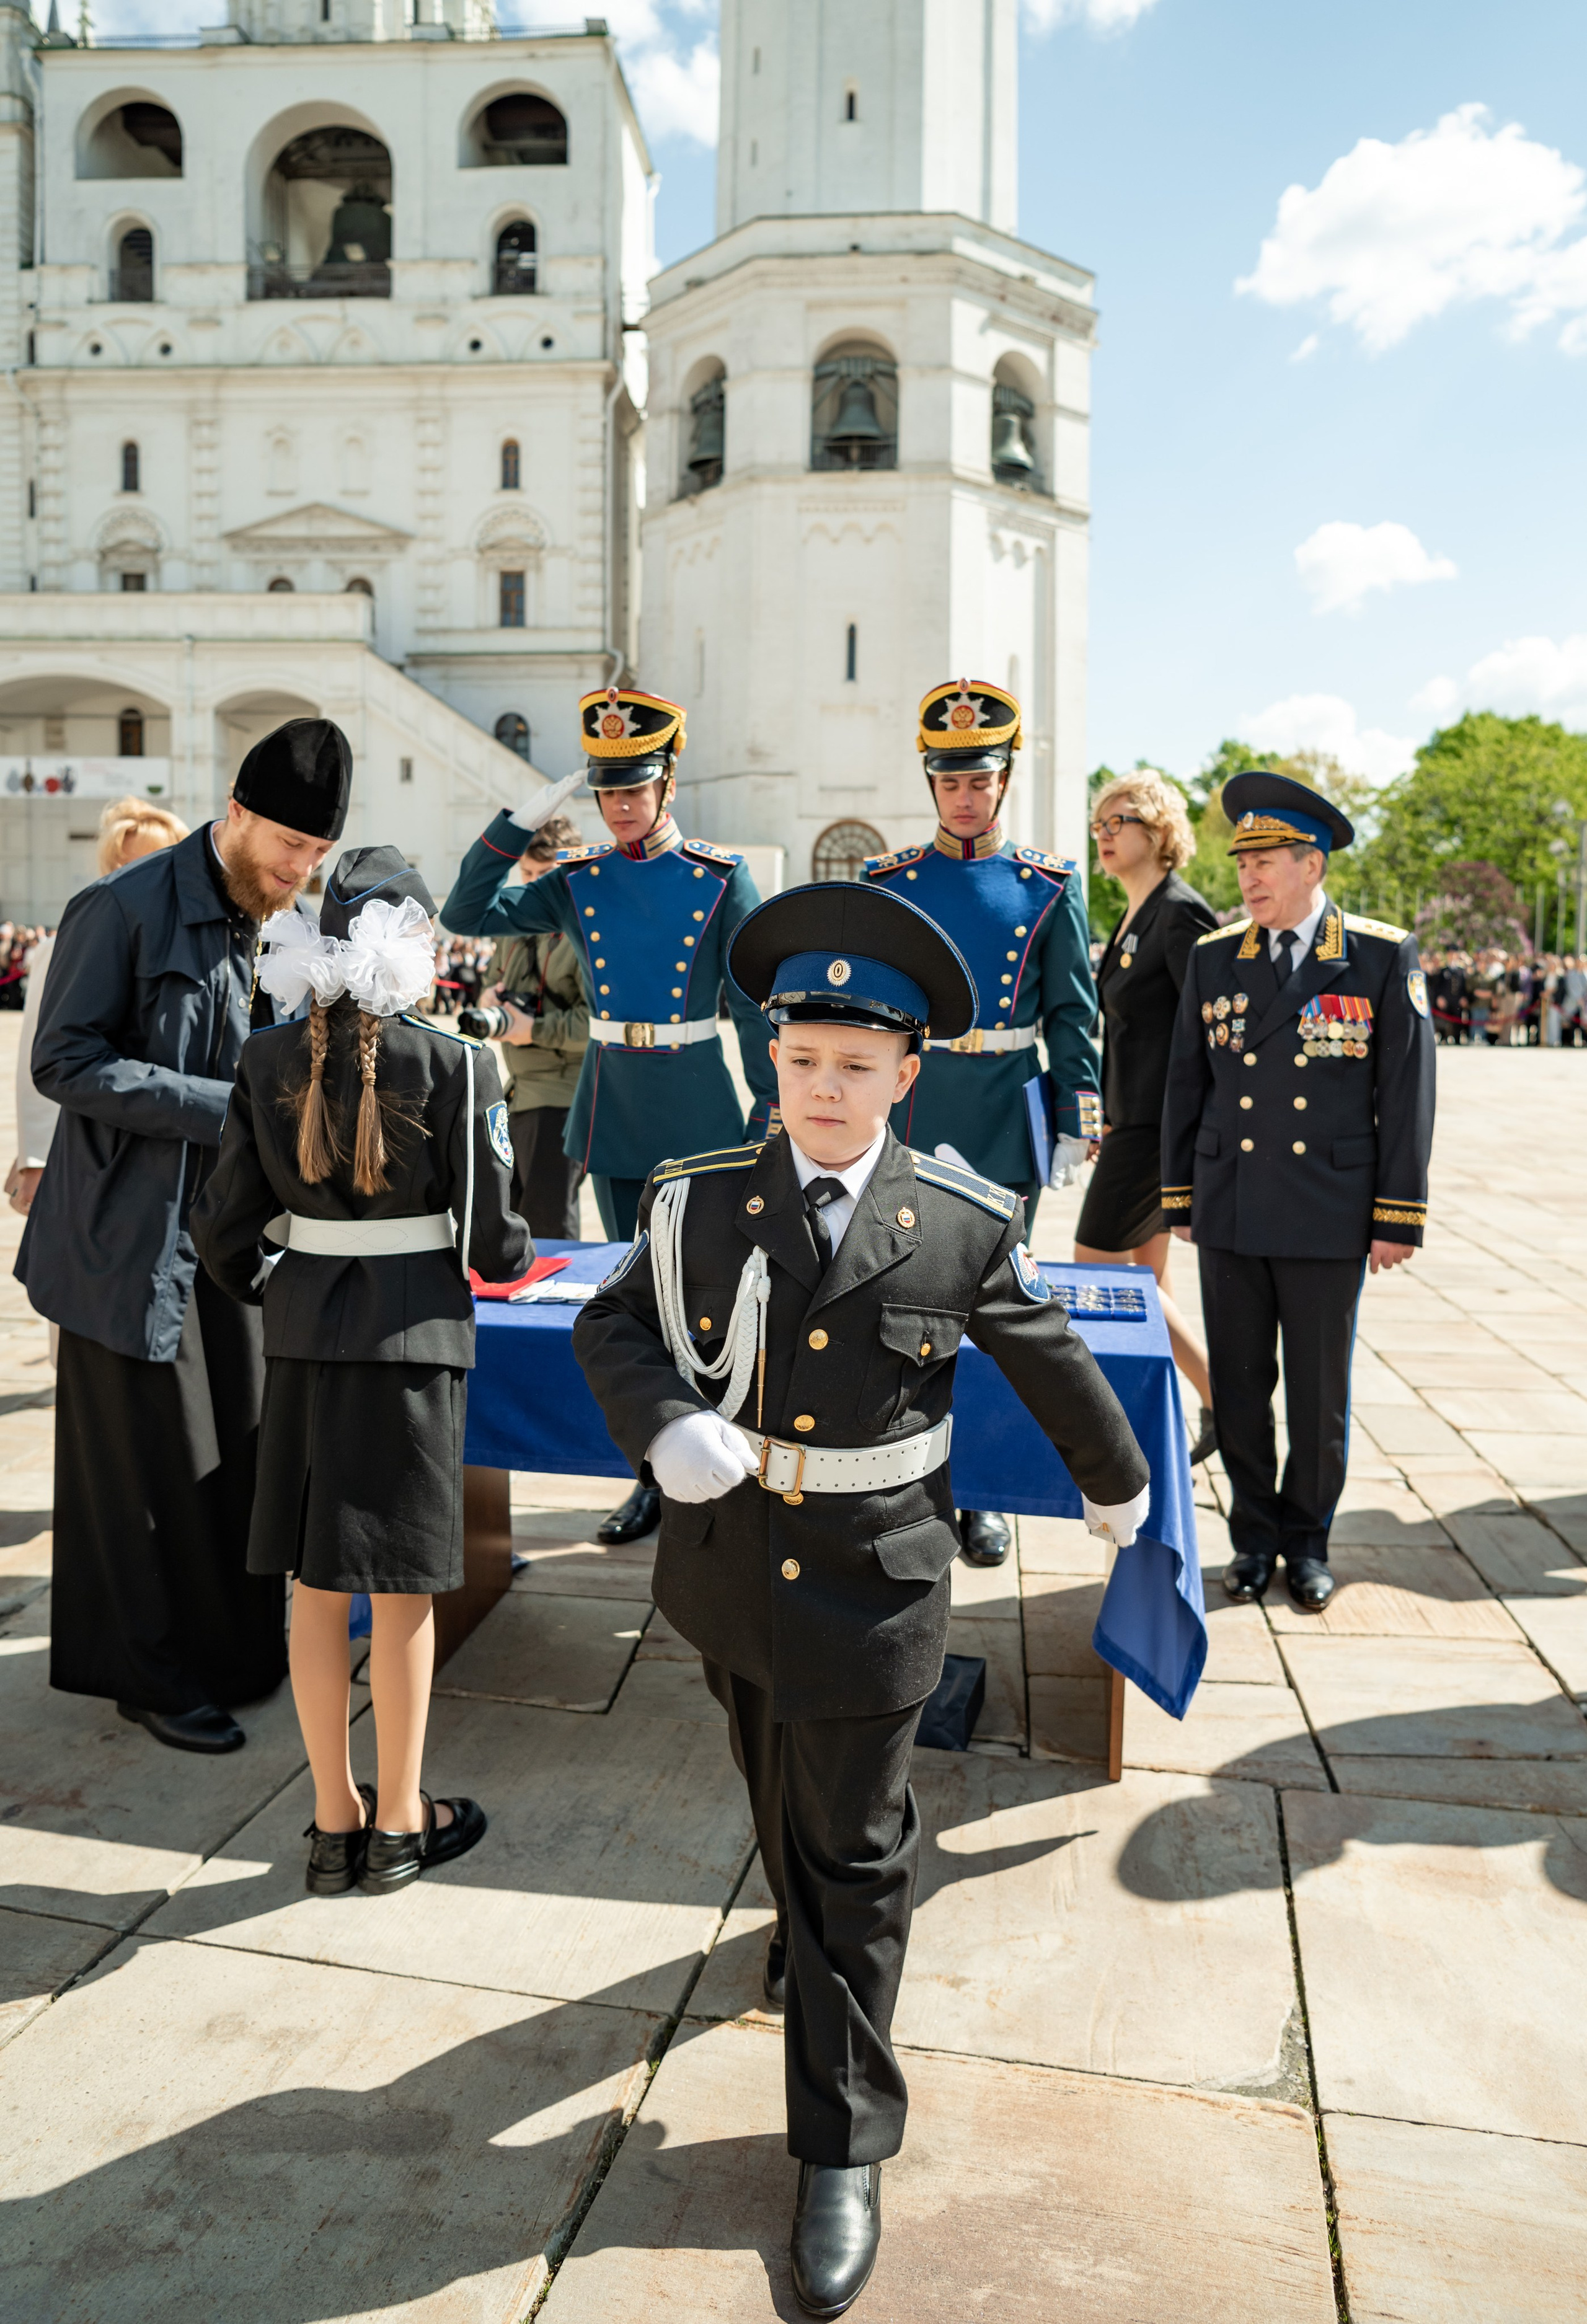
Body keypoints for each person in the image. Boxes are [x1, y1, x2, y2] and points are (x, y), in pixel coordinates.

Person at [573, 881, 1149, 2318]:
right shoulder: (700, 1196)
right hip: (726, 1580)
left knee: (854, 1846)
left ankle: (838, 2141)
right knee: (773, 1791)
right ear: (770, 1060)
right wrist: (658, 1419)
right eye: (798, 1059)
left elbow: (1049, 1351)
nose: (821, 1090)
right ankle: (802, 1938)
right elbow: (611, 1317)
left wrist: (1117, 1480)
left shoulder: (955, 1219)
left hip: (878, 1586)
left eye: (854, 1064)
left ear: (908, 1070)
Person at [192, 846, 531, 1893]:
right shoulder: (461, 1059)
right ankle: (398, 1822)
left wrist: (288, 1288)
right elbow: (497, 1245)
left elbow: (221, 1231)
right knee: (400, 1593)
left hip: (301, 1343)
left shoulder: (265, 1056)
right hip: (414, 1347)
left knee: (313, 1585)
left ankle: (332, 1824)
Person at [17, 718, 352, 1753]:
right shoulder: (118, 906)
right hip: (124, 1243)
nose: (301, 871)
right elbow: (62, 1062)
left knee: (231, 1461)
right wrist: (230, 1103)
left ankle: (235, 1656)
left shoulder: (279, 919)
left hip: (230, 1242)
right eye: (289, 847)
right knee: (139, 1479)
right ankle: (150, 1675)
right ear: (237, 814)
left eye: (318, 854)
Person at [443, 684, 776, 1547]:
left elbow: (749, 1007)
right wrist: (516, 825)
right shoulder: (578, 879)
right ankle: (651, 1473)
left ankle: (723, 1463)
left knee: (706, 1300)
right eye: (607, 790)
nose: (621, 806)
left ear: (667, 784)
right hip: (616, 1104)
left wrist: (765, 1113)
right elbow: (464, 914)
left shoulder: (719, 877)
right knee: (636, 1301)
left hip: (698, 1105)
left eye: (635, 787)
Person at [1160, 769, 1436, 1614]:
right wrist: (1182, 1197)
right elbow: (1185, 1083)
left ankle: (1309, 1541)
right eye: (1243, 863)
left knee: (1318, 1395)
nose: (1249, 880)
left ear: (1313, 866)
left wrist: (1398, 1215)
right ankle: (1252, 1539)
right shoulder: (1216, 958)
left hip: (1329, 1210)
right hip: (1235, 1203)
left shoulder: (1381, 955)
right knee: (1241, 1386)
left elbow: (1408, 1093)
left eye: (1268, 862)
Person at [862, 678, 1100, 1570]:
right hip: (918, 1112)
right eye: (951, 782)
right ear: (932, 785)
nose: (966, 795)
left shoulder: (1047, 886)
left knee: (998, 1314)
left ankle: (985, 1497)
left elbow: (1076, 1012)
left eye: (981, 780)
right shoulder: (893, 883)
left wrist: (1079, 1113)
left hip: (1005, 1113)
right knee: (899, 1307)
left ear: (1006, 780)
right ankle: (905, 1477)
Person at [1073, 771, 1218, 1462]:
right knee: (1145, 1289)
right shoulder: (1136, 913)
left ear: (1159, 832)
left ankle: (1221, 1403)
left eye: (1118, 821)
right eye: (1098, 823)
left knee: (1096, 1275)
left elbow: (1214, 1028)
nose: (1103, 834)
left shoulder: (1179, 912)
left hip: (1160, 1126)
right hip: (1132, 1121)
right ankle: (1180, 1419)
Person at [6, 797, 190, 1224]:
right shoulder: (65, 945)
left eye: (162, 859)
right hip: (86, 1147)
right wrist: (34, 1158)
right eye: (130, 862)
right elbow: (41, 1059)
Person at [477, 812, 590, 1238]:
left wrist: (534, 1030)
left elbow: (597, 1023)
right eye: (527, 873)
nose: (534, 884)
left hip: (561, 1099)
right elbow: (489, 984)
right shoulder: (514, 923)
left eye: (546, 874)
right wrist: (488, 999)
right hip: (516, 1095)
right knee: (514, 1227)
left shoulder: (584, 932)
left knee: (549, 1232)